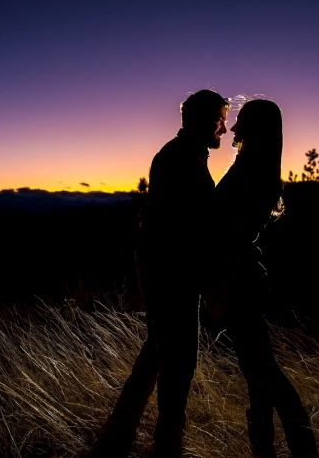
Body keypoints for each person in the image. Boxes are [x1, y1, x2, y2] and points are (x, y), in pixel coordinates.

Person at [85, 89, 229, 458]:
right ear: (199, 121)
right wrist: (208, 284)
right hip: (171, 275)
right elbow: (187, 232)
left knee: (158, 354)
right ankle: (168, 446)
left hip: (165, 271)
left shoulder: (181, 155)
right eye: (218, 120)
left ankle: (119, 432)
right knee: (179, 364)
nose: (224, 129)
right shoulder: (183, 160)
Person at [203, 99, 319, 458]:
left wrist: (220, 284)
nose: (234, 130)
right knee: (256, 374)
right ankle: (263, 449)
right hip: (244, 277)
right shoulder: (250, 166)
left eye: (242, 124)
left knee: (261, 368)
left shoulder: (251, 170)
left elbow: (235, 235)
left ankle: (304, 448)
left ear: (257, 130)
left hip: (239, 280)